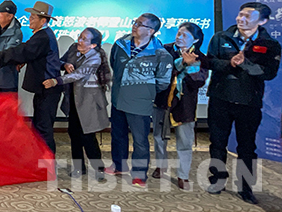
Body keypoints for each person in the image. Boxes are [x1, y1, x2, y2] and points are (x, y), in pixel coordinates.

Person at [204, 2, 280, 204]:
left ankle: (246, 188)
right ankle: (217, 180)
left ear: (262, 21)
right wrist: (230, 63)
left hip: (249, 102)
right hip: (220, 98)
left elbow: (269, 73)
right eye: (240, 14)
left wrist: (245, 64)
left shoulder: (270, 44)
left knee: (247, 147)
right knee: (217, 143)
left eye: (248, 16)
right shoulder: (221, 37)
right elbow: (210, 62)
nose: (241, 19)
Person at [0, 1, 62, 154]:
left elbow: (21, 51)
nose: (29, 19)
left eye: (33, 17)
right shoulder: (42, 35)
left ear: (43, 21)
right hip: (43, 90)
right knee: (39, 127)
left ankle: (47, 164)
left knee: (43, 129)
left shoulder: (42, 37)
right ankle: (41, 162)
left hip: (48, 89)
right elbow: (28, 53)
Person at [105, 13, 172, 188]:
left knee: (140, 140)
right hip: (119, 97)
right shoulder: (121, 43)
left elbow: (163, 82)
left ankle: (139, 174)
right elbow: (115, 64)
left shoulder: (160, 53)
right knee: (117, 134)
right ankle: (118, 165)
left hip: (140, 102)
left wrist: (144, 91)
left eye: (140, 24)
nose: (135, 26)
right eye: (135, 22)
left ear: (151, 31)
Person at [43, 27, 110, 180]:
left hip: (89, 102)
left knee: (87, 136)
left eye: (84, 39)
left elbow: (78, 75)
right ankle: (79, 168)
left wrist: (56, 81)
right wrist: (65, 64)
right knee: (74, 134)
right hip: (73, 99)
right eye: (80, 36)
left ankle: (99, 169)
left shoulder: (95, 58)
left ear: (93, 45)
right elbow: (60, 61)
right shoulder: (74, 48)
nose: (79, 41)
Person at [152, 22, 208, 191]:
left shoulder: (199, 56)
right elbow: (161, 72)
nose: (179, 37)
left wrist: (190, 65)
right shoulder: (165, 50)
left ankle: (183, 175)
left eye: (185, 35)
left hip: (185, 104)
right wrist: (182, 62)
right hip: (162, 99)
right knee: (159, 136)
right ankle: (161, 166)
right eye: (179, 33)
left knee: (185, 141)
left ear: (195, 39)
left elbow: (198, 82)